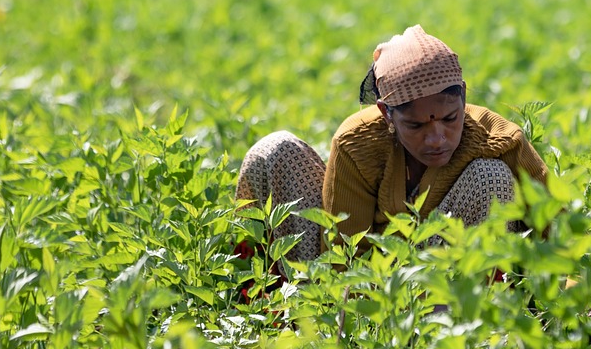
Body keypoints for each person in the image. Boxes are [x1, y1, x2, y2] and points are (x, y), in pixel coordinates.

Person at [235, 25, 548, 264]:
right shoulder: (357, 143)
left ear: (464, 96)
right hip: (371, 286)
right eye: (415, 125)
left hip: (450, 279)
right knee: (274, 150)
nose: (437, 138)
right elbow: (345, 255)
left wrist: (577, 302)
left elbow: (559, 226)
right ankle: (274, 305)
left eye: (451, 119)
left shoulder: (498, 137)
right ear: (386, 113)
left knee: (491, 176)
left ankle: (475, 326)